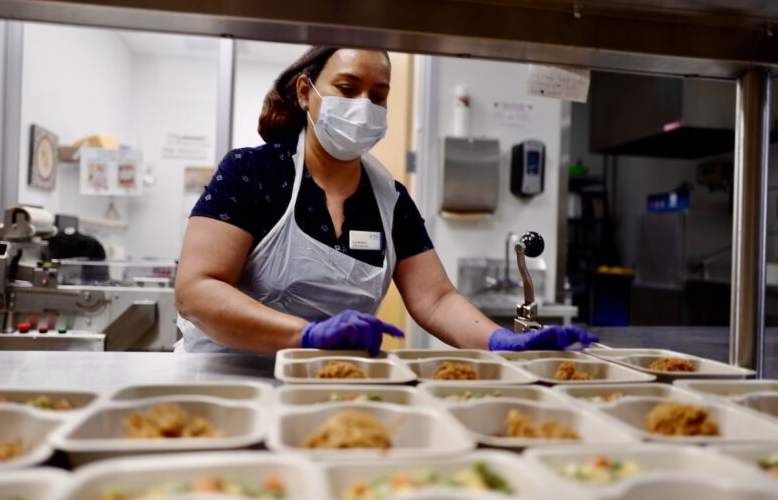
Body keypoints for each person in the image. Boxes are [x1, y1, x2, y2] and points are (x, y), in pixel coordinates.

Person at [174, 47, 596, 355]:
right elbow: (197, 289)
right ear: (306, 92)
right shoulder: (252, 172)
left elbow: (436, 300)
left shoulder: (389, 200)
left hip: (331, 385)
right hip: (228, 378)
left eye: (378, 96)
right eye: (347, 88)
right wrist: (305, 335)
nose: (364, 107)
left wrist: (501, 340)